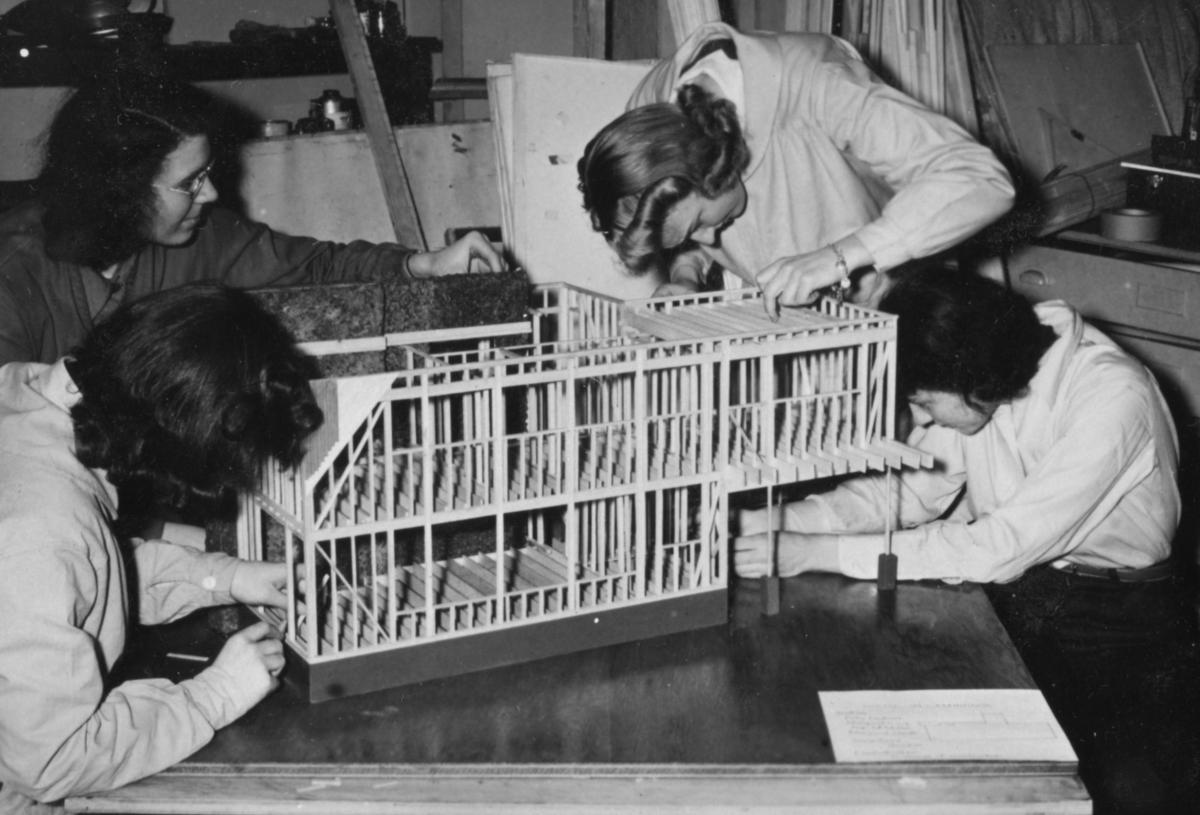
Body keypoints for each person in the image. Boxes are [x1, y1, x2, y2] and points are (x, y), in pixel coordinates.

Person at [735, 268, 1200, 814]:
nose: (922, 419)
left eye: (925, 403)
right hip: (1032, 587)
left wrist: (816, 553)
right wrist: (772, 523)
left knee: (1107, 789)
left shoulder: (1111, 394)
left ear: (975, 382)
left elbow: (998, 546)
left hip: (1120, 618)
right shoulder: (984, 382)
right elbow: (905, 495)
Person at [0, 283, 324, 815]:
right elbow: (50, 763)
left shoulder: (30, 394)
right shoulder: (44, 531)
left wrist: (227, 577)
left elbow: (84, 577)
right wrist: (213, 695)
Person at [0, 69, 507, 367]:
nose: (214, 193)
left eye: (209, 172)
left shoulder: (200, 237)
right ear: (119, 190)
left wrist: (424, 264)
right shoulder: (15, 264)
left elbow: (316, 267)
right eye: (189, 182)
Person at [577, 21, 1015, 315]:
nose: (712, 238)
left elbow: (979, 178)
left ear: (717, 163)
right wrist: (686, 275)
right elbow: (675, 219)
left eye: (699, 226)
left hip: (885, 300)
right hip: (784, 319)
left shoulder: (819, 83)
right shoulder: (653, 107)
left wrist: (838, 258)